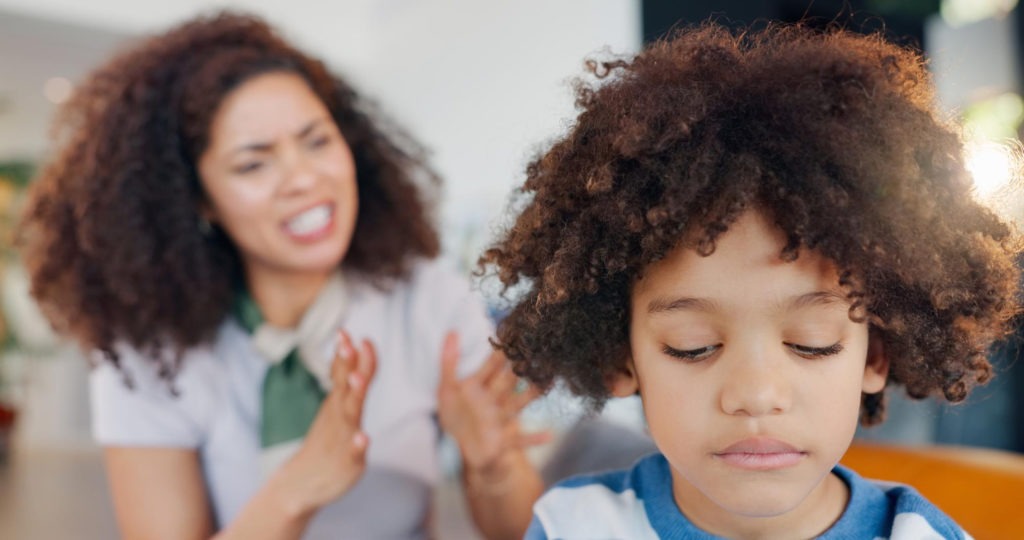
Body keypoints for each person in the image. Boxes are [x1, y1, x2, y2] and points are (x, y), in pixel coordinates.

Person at [480, 22, 1021, 539]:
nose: (756, 395)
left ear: (875, 355)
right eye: (693, 347)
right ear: (620, 358)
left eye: (812, 343)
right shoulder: (572, 526)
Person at [19, 11, 543, 540]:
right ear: (200, 201)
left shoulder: (426, 298)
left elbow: (524, 532)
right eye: (253, 164)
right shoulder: (151, 352)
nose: (304, 179)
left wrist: (492, 467)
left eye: (317, 141)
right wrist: (297, 488)